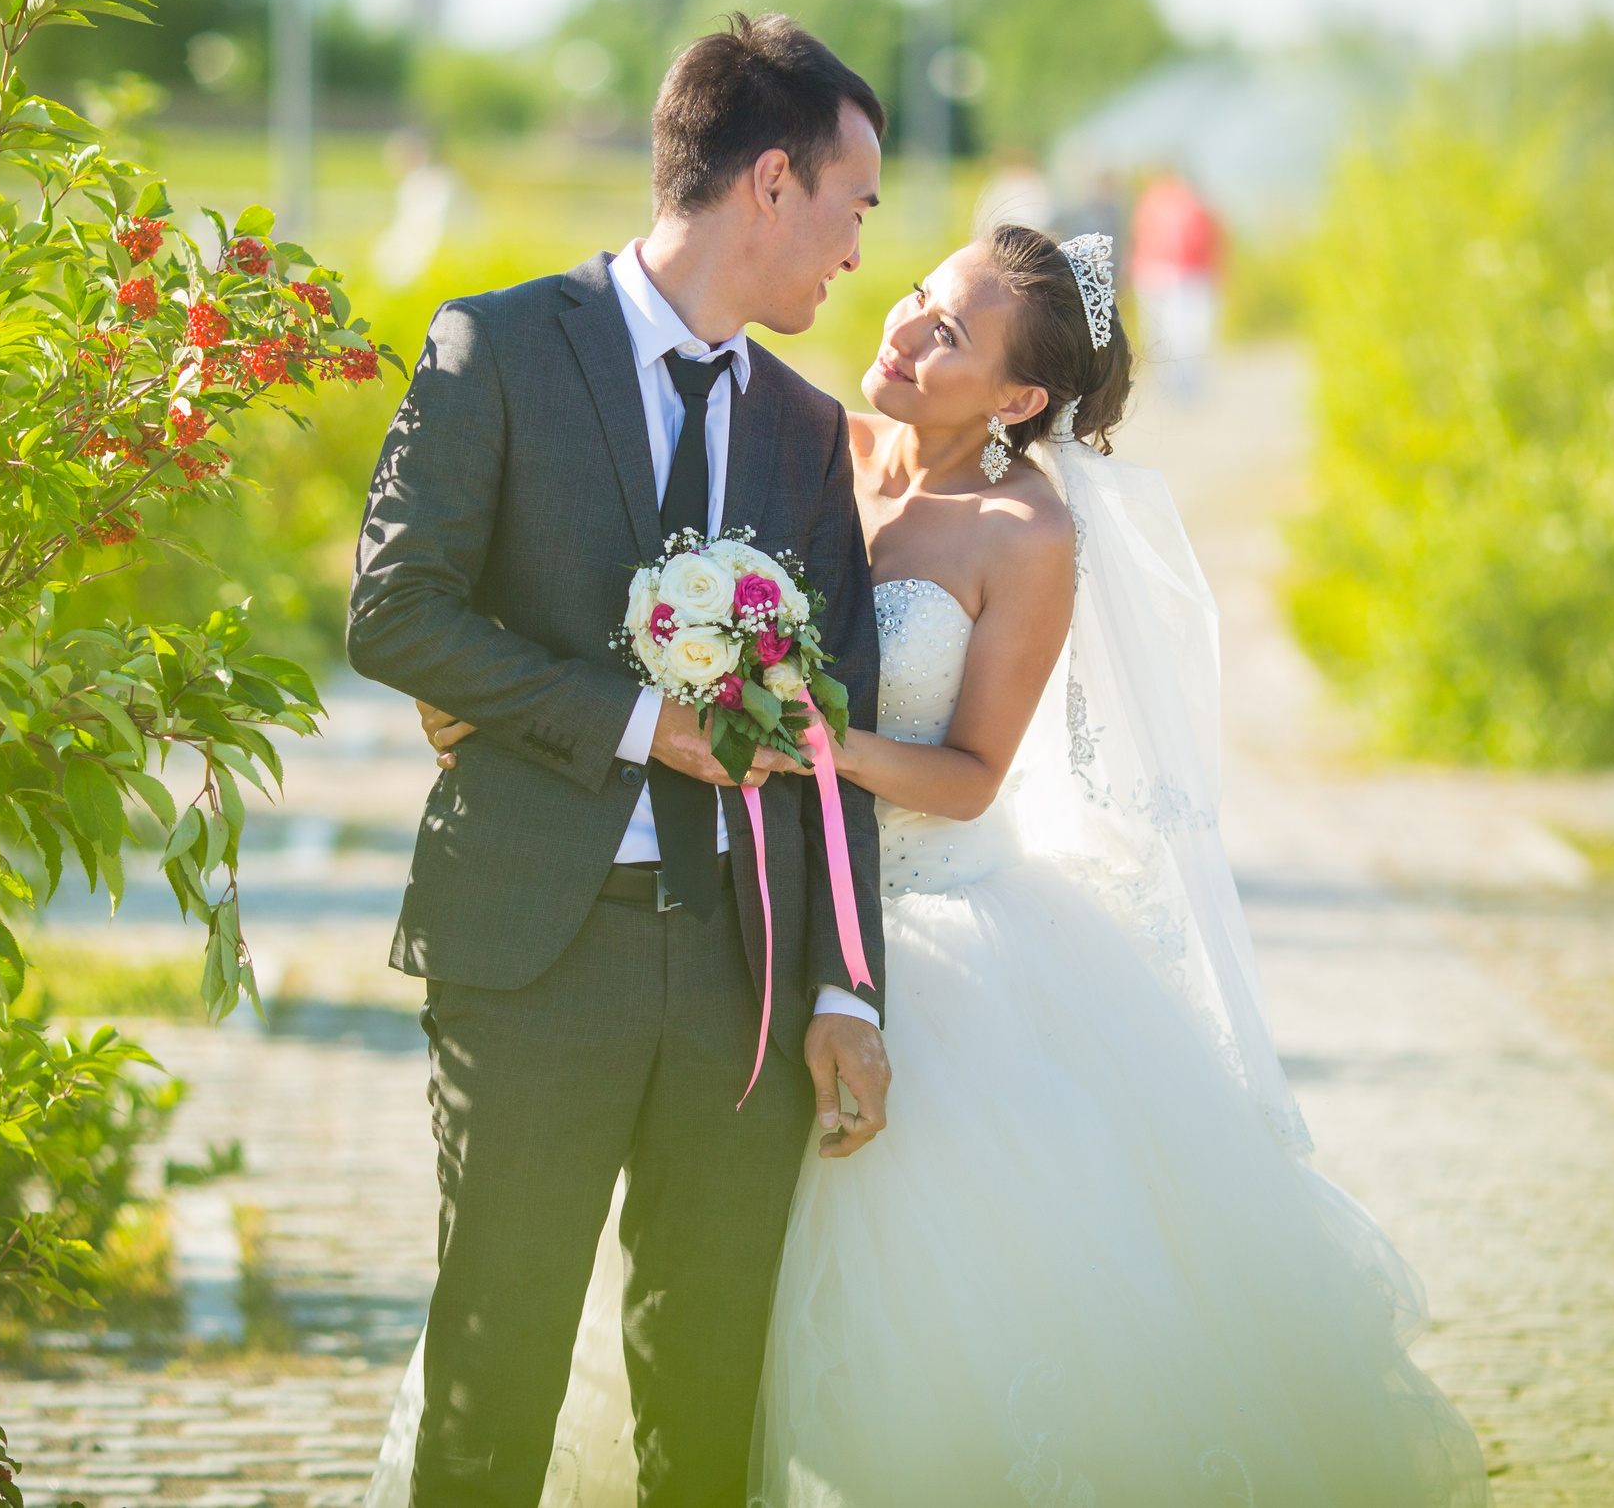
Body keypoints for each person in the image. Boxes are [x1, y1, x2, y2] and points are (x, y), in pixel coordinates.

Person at [399, 225, 1494, 1506]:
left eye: (949, 334)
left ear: (1021, 400)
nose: (904, 329)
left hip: (925, 934)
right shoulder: (800, 441)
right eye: (918, 296)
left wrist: (817, 742)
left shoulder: (1024, 538)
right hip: (741, 917)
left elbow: (972, 774)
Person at [346, 13, 893, 1508]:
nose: (857, 248)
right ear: (769, 184)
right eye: (854, 204)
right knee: (493, 1383)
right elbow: (391, 612)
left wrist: (848, 986)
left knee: (709, 1407)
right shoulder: (501, 344)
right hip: (535, 952)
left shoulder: (807, 427)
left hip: (746, 983)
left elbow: (835, 734)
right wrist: (647, 721)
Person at [1130, 170, 1223, 405]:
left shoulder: (1194, 205)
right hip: (1160, 276)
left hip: (1188, 276)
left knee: (1185, 334)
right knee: (1164, 334)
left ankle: (1187, 386)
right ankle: (1172, 386)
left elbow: (1210, 241)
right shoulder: (1152, 203)